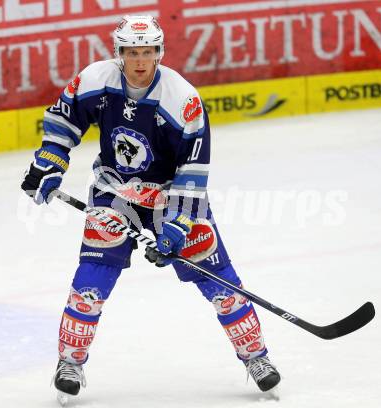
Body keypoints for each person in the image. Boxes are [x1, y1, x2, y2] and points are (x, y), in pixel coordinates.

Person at [21, 15, 281, 403]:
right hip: (114, 193)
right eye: (131, 52)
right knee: (90, 282)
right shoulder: (95, 79)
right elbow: (63, 121)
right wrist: (49, 163)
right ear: (118, 52)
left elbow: (192, 174)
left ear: (159, 52)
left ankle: (256, 358)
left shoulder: (184, 99)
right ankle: (70, 363)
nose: (139, 61)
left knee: (221, 285)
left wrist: (175, 229)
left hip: (171, 198)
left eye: (147, 52)